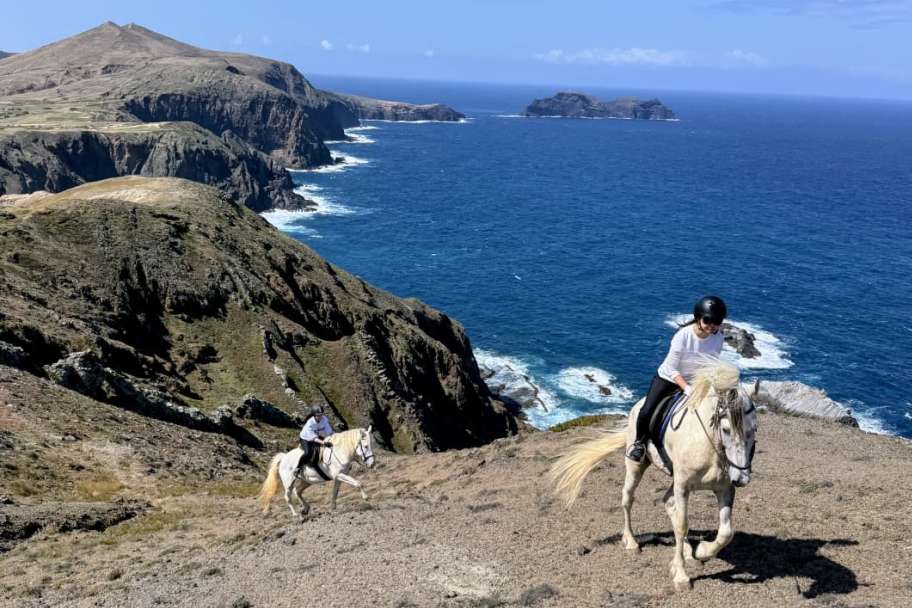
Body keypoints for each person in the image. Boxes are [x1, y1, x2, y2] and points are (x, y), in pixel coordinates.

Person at [626, 296, 727, 462]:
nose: (712, 325)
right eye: (707, 320)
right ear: (698, 318)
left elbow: (711, 363)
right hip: (669, 378)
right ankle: (639, 444)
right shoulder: (683, 336)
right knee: (647, 410)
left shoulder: (718, 338)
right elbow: (671, 369)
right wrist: (686, 388)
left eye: (717, 321)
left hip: (697, 381)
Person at [298, 404, 334, 472]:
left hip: (316, 436)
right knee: (308, 453)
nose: (320, 417)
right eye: (318, 415)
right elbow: (314, 439)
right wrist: (324, 443)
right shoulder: (310, 423)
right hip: (306, 439)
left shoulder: (324, 419)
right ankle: (298, 467)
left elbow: (329, 432)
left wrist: (334, 438)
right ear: (314, 415)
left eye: (321, 415)